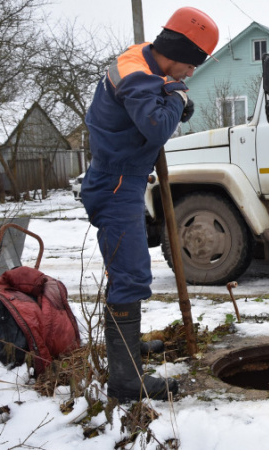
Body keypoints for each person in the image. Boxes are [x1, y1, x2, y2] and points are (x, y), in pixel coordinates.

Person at [80, 7, 218, 403]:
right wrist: (176, 96)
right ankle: (126, 383)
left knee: (125, 270)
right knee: (132, 276)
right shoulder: (142, 76)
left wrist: (172, 96)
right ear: (176, 51)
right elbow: (156, 125)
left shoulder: (142, 58)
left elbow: (151, 106)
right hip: (116, 183)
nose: (190, 74)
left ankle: (127, 348)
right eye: (191, 65)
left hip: (121, 178)